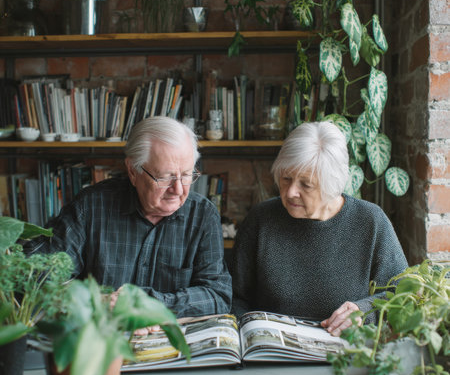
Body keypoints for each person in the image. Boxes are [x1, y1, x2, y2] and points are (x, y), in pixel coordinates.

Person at [26, 117, 232, 319]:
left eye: (187, 175)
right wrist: (97, 301)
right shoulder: (91, 206)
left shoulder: (202, 215)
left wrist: (149, 304)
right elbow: (36, 275)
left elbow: (217, 295)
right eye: (165, 177)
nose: (178, 189)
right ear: (133, 171)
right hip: (103, 337)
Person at [230, 121, 408, 336]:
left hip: (343, 353)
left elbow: (402, 294)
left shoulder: (370, 221)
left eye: (306, 184)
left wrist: (364, 311)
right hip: (270, 353)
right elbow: (235, 297)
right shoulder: (260, 220)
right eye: (286, 178)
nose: (290, 192)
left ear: (332, 184)